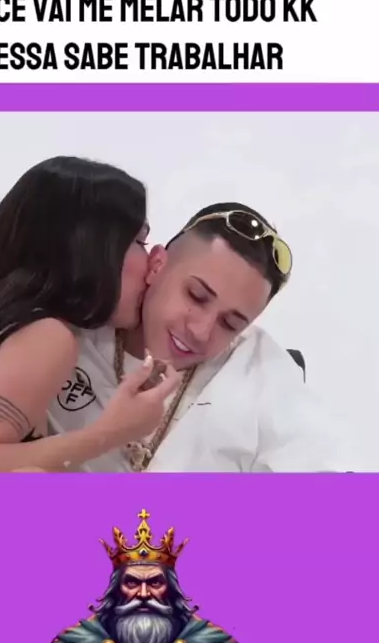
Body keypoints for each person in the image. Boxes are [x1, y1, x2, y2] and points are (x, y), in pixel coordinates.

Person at [0, 156, 179, 473]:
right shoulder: (47, 336)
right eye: (141, 241)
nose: (151, 265)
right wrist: (109, 433)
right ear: (94, 245)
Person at [46, 202, 351, 472]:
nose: (201, 332)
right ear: (157, 264)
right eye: (197, 296)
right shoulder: (76, 324)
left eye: (230, 323)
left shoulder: (262, 371)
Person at [50, 509, 239, 643]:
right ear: (115, 591)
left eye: (155, 583)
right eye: (131, 583)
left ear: (172, 590)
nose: (143, 594)